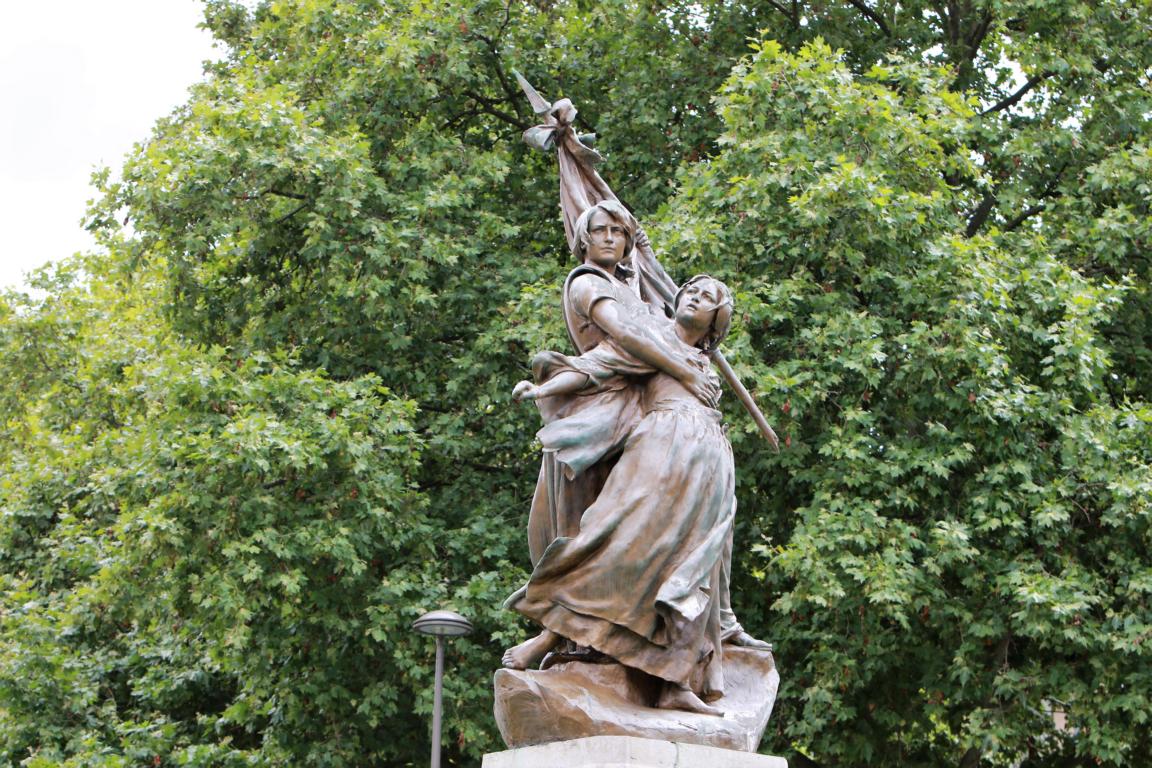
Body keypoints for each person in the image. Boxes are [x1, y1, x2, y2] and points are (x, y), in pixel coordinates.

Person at [505, 274, 741, 715]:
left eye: (708, 297)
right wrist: (542, 388)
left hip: (710, 461)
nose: (695, 297)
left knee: (691, 571)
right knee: (611, 542)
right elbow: (595, 366)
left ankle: (673, 682)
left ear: (716, 321)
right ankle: (550, 633)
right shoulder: (650, 340)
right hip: (658, 448)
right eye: (691, 290)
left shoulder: (704, 362)